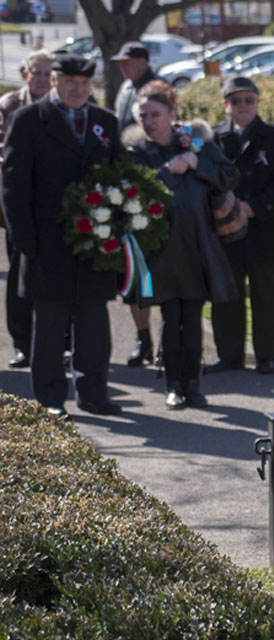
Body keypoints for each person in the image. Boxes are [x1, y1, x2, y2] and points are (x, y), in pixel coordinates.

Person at [1, 54, 122, 418]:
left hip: (96, 241)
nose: (78, 89)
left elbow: (118, 175)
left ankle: (93, 393)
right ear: (54, 82)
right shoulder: (28, 120)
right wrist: (25, 240)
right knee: (50, 326)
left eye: (85, 84)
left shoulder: (105, 122)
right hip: (46, 242)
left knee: (93, 324)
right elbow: (13, 186)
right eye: (70, 82)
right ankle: (51, 398)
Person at [126, 81, 240, 409]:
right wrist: (168, 171)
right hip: (160, 251)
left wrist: (197, 165)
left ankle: (193, 382)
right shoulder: (137, 152)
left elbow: (230, 176)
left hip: (198, 247)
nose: (149, 121)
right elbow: (135, 193)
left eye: (155, 114)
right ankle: (172, 384)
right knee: (170, 315)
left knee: (191, 318)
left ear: (173, 113)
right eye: (143, 115)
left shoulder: (195, 143)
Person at [209, 76, 274, 375]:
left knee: (265, 296)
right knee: (227, 296)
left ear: (258, 102)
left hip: (264, 228)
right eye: (236, 101)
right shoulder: (214, 138)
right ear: (226, 106)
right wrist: (225, 208)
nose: (243, 106)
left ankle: (265, 356)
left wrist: (254, 207)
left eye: (249, 99)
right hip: (225, 232)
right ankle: (230, 355)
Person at [0, 49, 55, 370]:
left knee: (57, 277)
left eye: (49, 73)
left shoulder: (65, 105)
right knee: (20, 277)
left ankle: (60, 343)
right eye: (37, 73)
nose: (43, 79)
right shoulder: (10, 106)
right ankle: (22, 343)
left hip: (55, 206)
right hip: (19, 208)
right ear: (26, 75)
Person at [112, 40, 161, 367]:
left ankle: (166, 344)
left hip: (156, 185)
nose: (122, 66)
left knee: (161, 276)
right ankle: (144, 339)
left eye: (127, 61)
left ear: (142, 61)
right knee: (135, 275)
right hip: (129, 183)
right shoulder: (125, 88)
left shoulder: (158, 89)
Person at [112, 41, 157, 129]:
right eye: (121, 63)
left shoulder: (157, 87)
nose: (122, 68)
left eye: (127, 63)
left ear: (143, 62)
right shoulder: (126, 86)